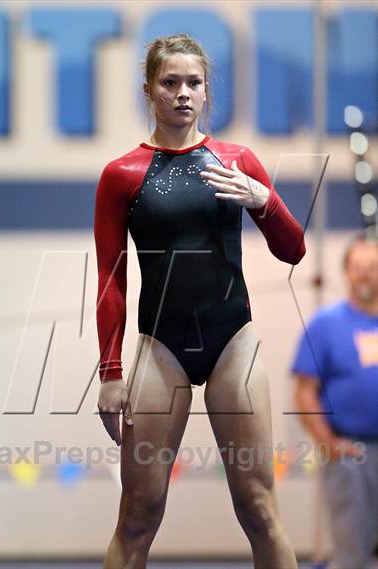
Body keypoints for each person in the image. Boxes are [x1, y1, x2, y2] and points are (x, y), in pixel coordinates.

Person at [94, 33, 305, 569]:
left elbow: (293, 250)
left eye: (194, 82)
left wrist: (265, 200)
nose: (183, 93)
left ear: (207, 90)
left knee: (259, 508)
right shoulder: (122, 175)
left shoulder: (235, 161)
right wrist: (111, 371)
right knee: (139, 511)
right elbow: (111, 277)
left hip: (234, 339)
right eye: (170, 83)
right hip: (159, 346)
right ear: (149, 89)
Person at [291, 233, 378, 569]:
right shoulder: (326, 325)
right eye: (358, 267)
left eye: (372, 267)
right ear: (346, 273)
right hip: (350, 454)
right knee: (351, 552)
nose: (365, 274)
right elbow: (304, 391)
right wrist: (328, 442)